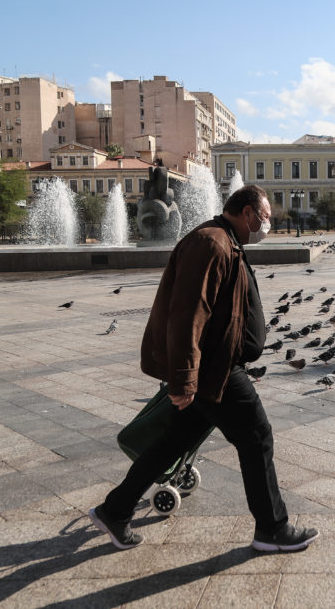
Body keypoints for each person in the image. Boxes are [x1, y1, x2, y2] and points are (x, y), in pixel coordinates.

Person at [89, 185, 319, 553]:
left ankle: (114, 509)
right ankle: (272, 529)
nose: (267, 223)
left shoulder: (225, 240)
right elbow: (188, 316)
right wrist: (184, 379)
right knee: (257, 437)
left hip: (215, 364)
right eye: (265, 216)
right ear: (246, 212)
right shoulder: (211, 244)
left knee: (174, 443)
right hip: (217, 369)